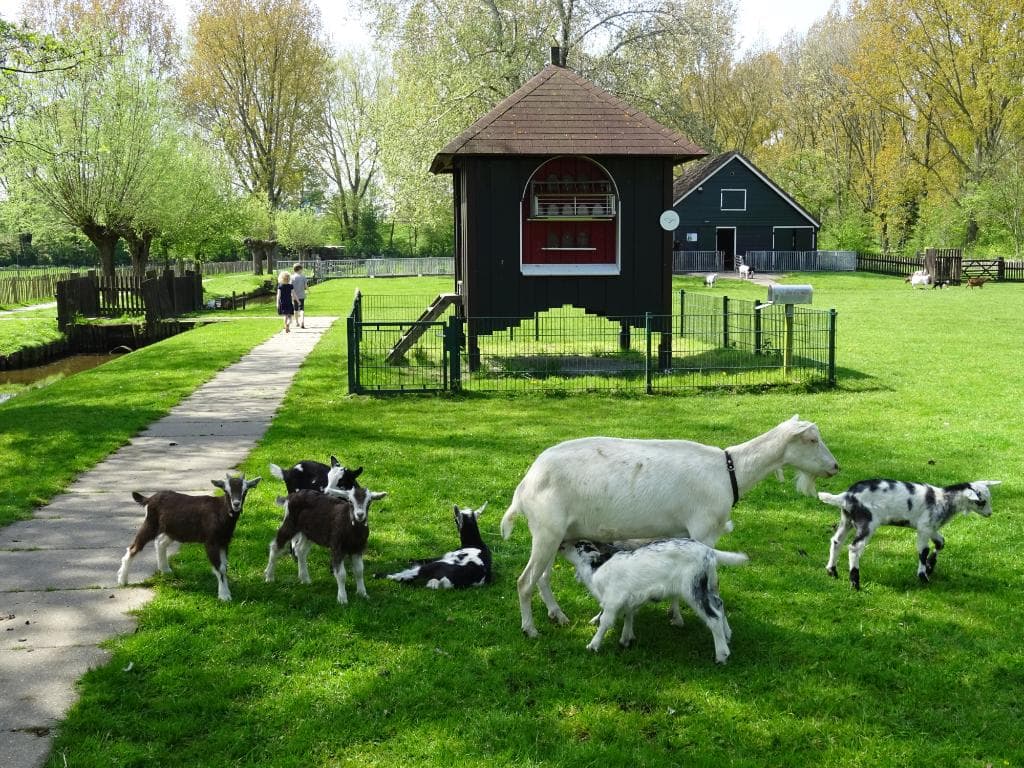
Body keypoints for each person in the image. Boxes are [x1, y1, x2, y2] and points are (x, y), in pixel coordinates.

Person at [291, 262, 309, 329]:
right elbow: (306, 286)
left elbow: (290, 287)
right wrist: (308, 290)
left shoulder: (292, 277)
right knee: (302, 309)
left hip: (294, 296)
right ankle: (302, 322)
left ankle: (297, 322)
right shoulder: (303, 276)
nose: (302, 270)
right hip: (301, 295)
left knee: (295, 309)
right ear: (299, 269)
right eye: (302, 269)